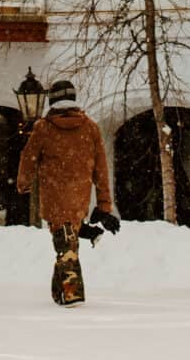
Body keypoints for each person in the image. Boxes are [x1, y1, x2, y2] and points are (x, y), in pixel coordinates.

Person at [14, 79, 118, 306]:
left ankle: (72, 294)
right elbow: (101, 169)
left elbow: (28, 156)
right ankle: (58, 292)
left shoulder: (43, 128)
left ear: (52, 100)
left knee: (65, 246)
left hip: (53, 196)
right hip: (79, 196)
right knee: (66, 243)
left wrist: (24, 182)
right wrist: (104, 204)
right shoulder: (90, 127)